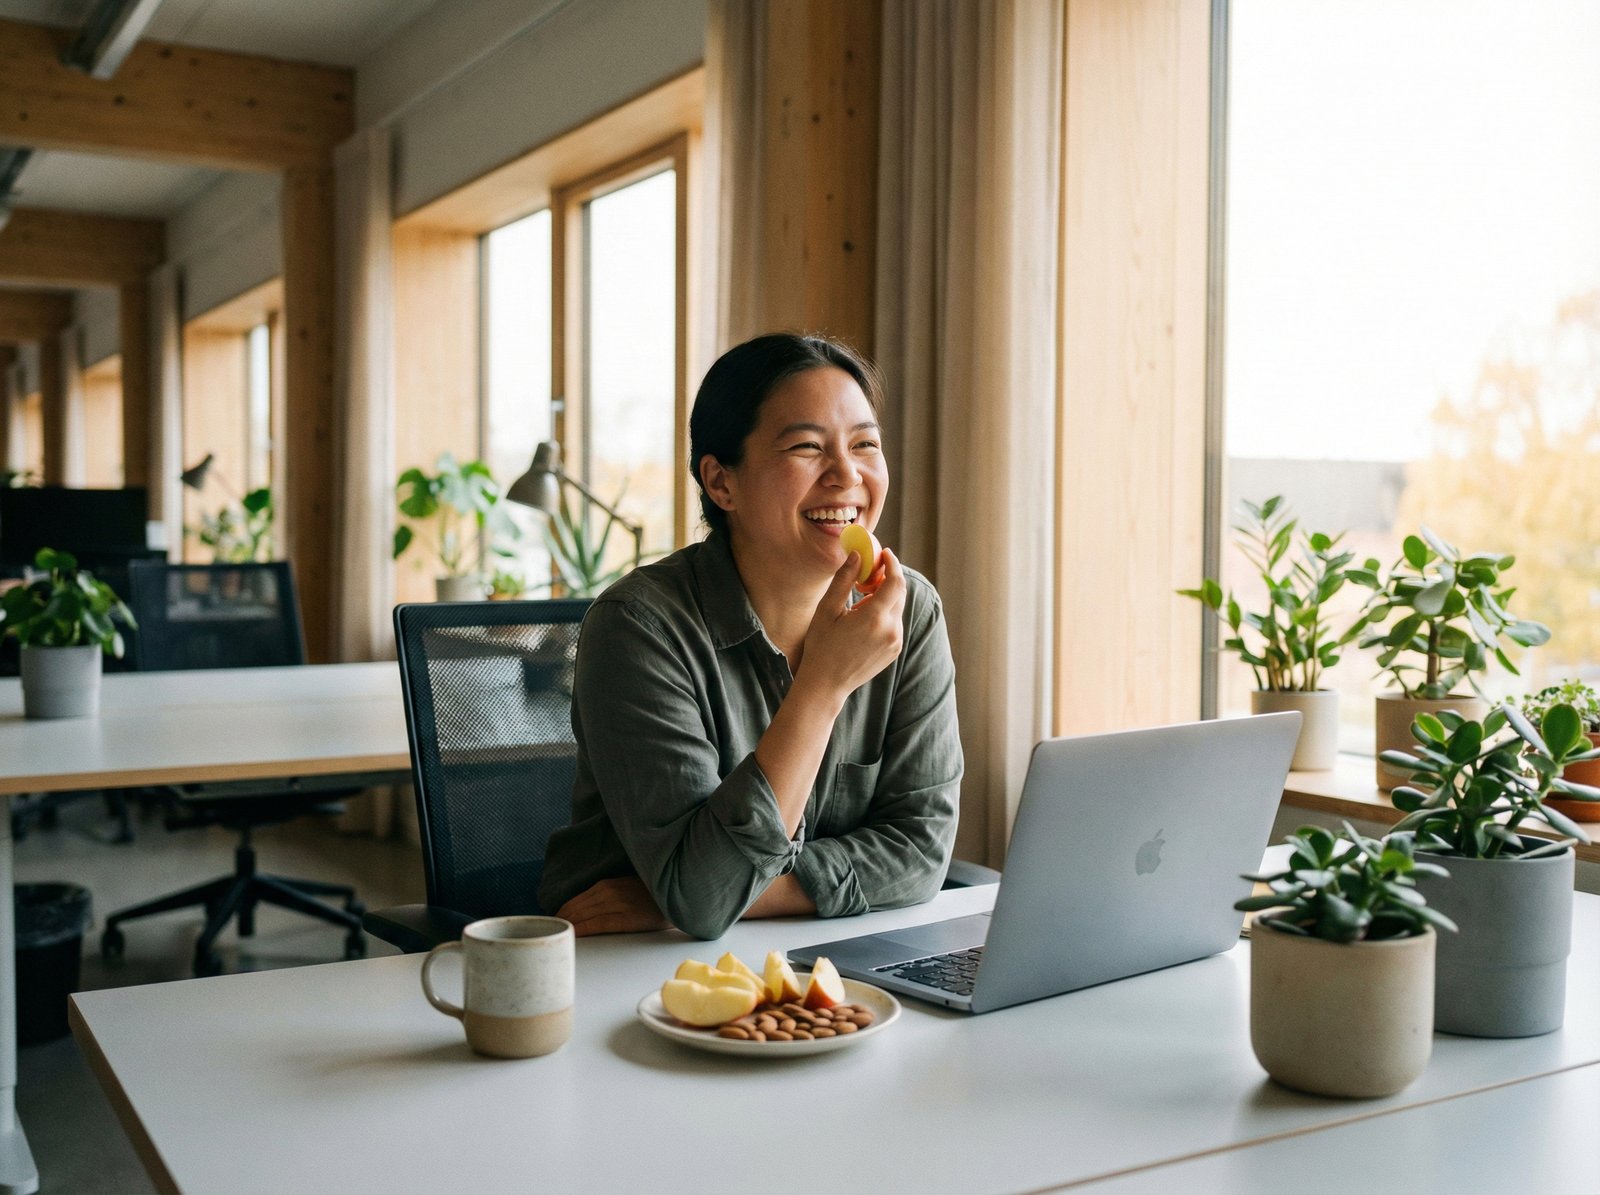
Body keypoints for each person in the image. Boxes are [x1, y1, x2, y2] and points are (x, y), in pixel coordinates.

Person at [538, 332, 962, 939]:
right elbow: (703, 899)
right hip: (628, 962)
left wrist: (725, 894)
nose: (848, 475)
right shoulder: (640, 626)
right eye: (807, 448)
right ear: (721, 483)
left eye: (865, 444)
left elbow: (921, 855)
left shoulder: (907, 608)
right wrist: (822, 686)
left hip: (816, 955)